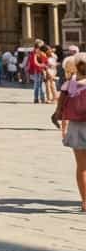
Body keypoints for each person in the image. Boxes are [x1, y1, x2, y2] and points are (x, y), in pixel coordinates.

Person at [55, 57, 86, 212]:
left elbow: (59, 110)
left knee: (82, 167)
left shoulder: (69, 84)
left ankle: (85, 202)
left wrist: (61, 124)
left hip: (76, 127)